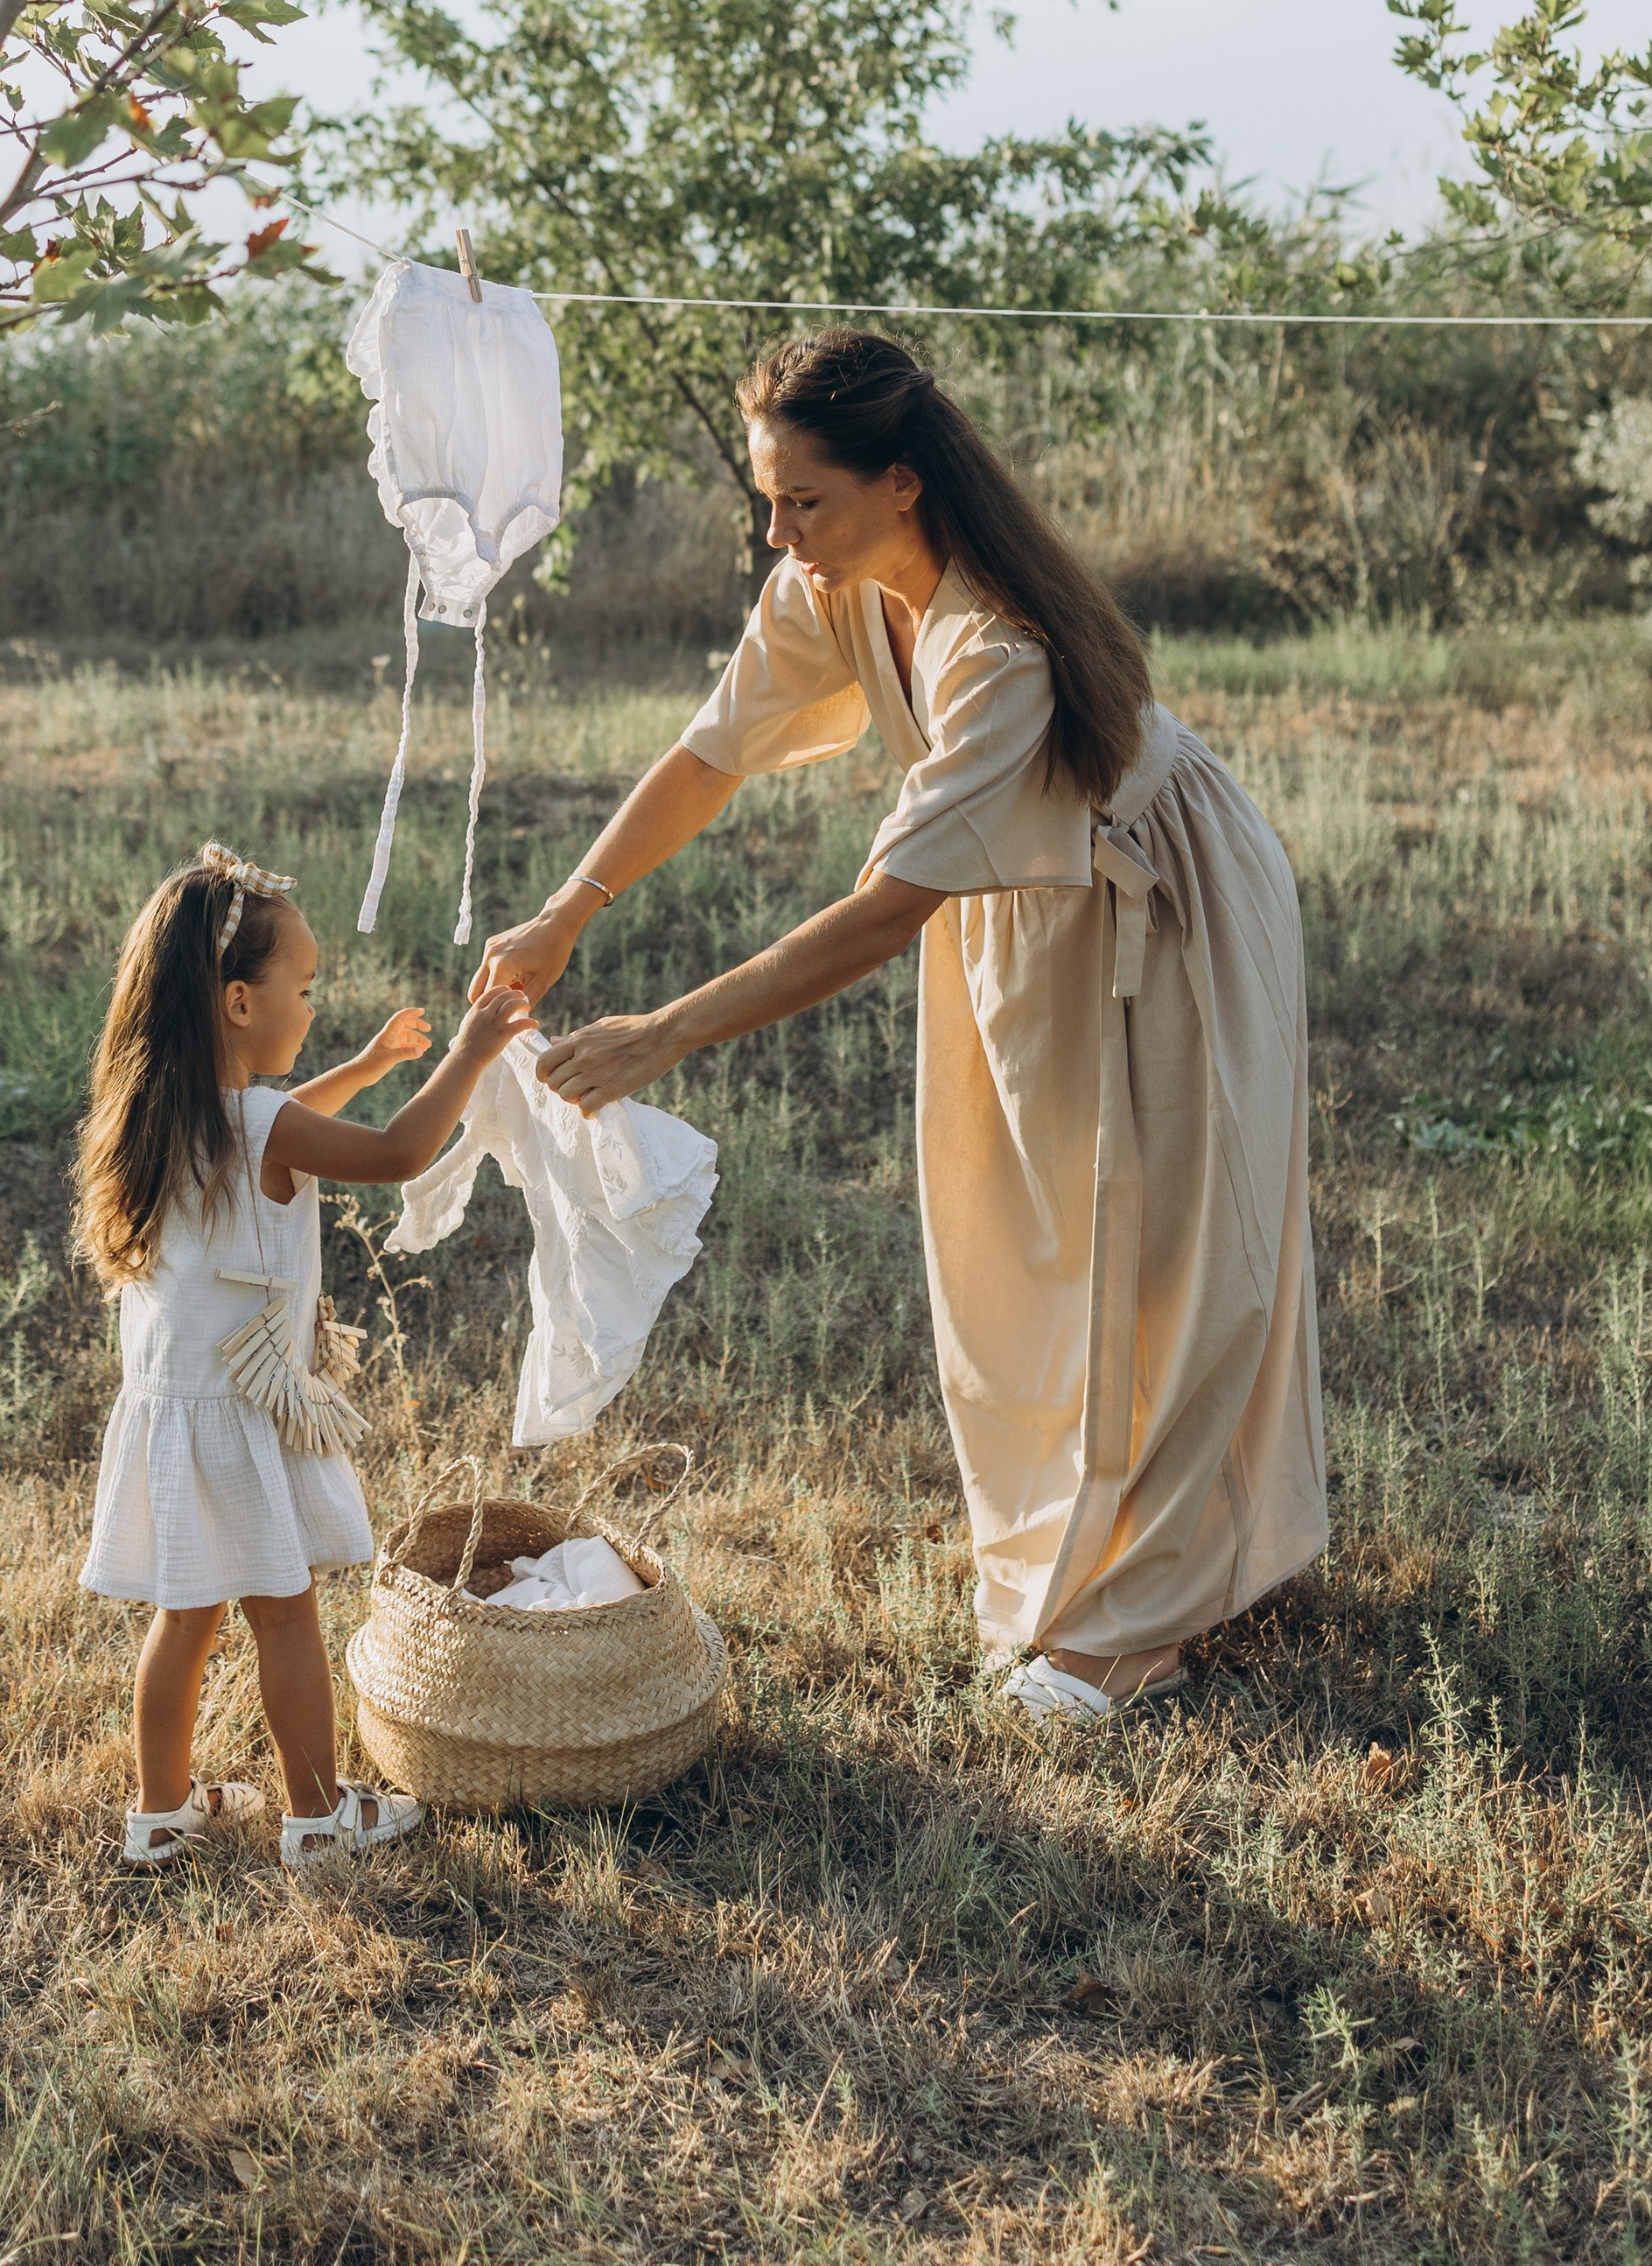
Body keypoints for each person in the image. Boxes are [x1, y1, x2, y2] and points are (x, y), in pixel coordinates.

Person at [473, 332, 1326, 1727]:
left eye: (805, 500)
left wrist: (664, 1033)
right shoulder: (837, 585)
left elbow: (882, 914)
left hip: (1167, 909)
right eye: (769, 499)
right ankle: (1085, 1557)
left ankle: (1144, 1625)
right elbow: (711, 752)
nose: (778, 530)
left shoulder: (1004, 648)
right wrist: (573, 908)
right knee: (1023, 1248)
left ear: (905, 486)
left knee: (1167, 1247)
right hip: (1015, 912)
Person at [75, 839, 530, 1866]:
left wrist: (366, 1066)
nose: (313, 1004)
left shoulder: (158, 1113)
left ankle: (158, 1816)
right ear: (239, 1002)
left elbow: (273, 1125)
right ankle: (318, 1821)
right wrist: (470, 1053)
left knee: (182, 1616)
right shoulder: (259, 1123)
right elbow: (398, 1154)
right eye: (304, 986)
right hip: (243, 1415)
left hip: (171, 1408)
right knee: (286, 1616)